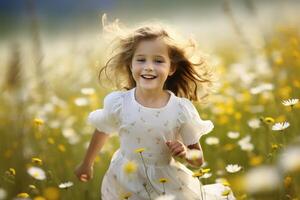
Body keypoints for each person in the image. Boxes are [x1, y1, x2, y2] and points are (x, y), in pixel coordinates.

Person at [75, 16, 236, 200]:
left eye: (158, 61)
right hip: (125, 179)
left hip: (165, 184)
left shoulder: (180, 110)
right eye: (141, 60)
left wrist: (185, 152)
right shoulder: (119, 103)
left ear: (172, 68)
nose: (149, 67)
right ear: (131, 64)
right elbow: (102, 130)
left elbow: (198, 159)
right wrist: (87, 163)